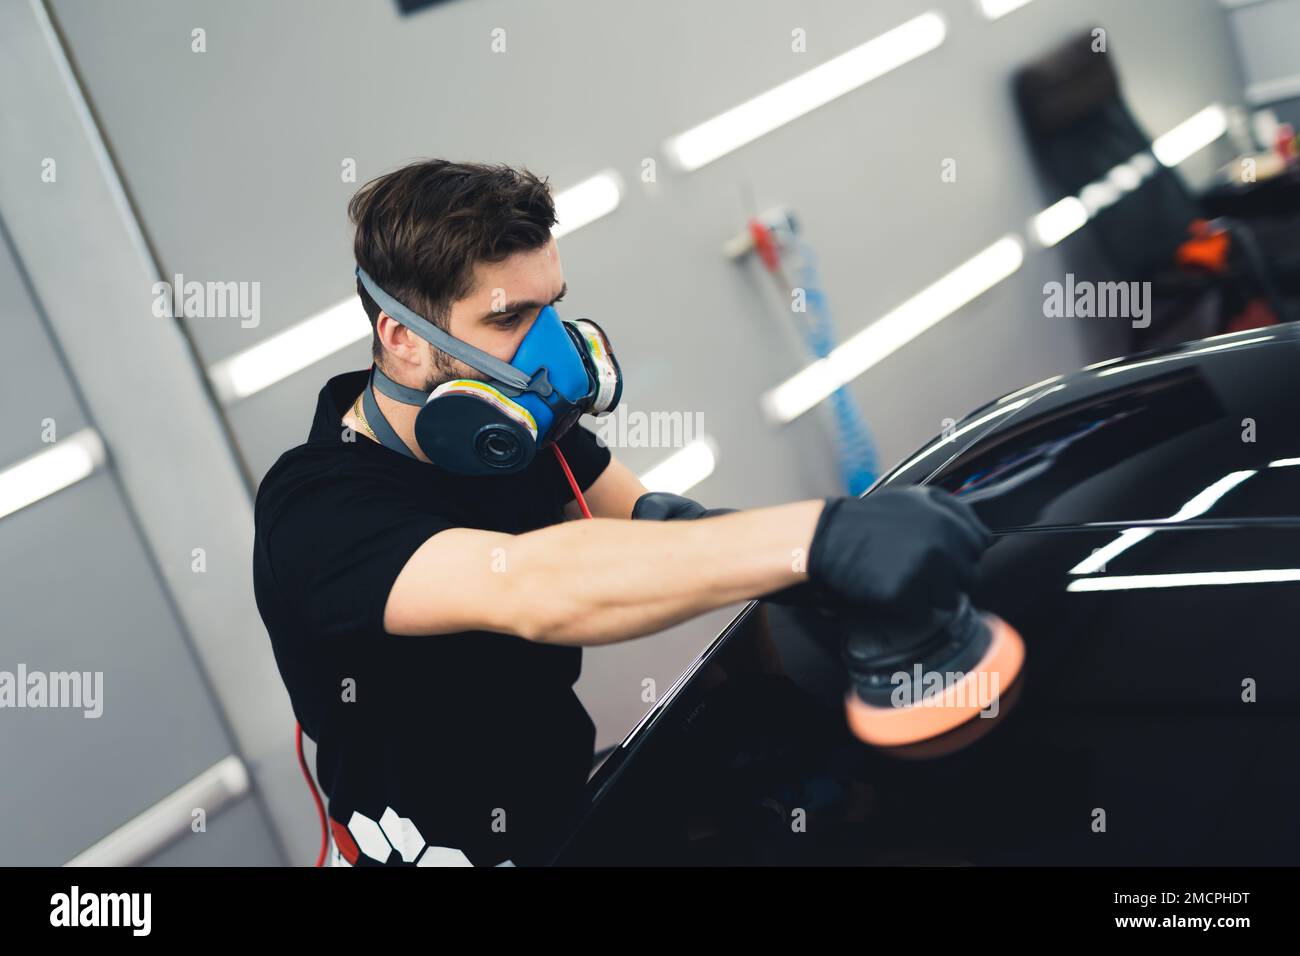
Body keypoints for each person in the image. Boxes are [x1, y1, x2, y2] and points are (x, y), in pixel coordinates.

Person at [252, 159, 989, 867]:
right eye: (509, 318)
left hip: (568, 819)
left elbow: (654, 529)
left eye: (554, 308)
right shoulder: (317, 512)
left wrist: (802, 610)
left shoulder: (517, 439)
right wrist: (818, 536)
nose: (549, 351)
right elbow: (535, 586)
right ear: (404, 339)